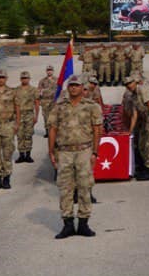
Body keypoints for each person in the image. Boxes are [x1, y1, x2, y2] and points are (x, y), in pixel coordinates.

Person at [47, 75, 102, 238]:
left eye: (77, 86)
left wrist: (95, 152)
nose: (73, 88)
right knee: (65, 188)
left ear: (82, 88)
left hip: (84, 151)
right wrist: (51, 151)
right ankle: (68, 223)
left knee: (85, 186)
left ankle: (84, 223)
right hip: (64, 152)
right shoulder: (59, 107)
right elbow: (52, 129)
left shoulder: (92, 106)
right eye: (71, 86)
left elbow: (97, 129)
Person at [13, 70, 38, 164]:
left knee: (28, 134)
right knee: (19, 135)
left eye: (26, 78)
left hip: (29, 114)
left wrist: (36, 116)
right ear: (20, 79)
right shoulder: (15, 90)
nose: (24, 79)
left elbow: (36, 103)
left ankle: (28, 155)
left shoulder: (34, 90)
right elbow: (13, 104)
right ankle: (21, 155)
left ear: (29, 79)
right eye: (23, 78)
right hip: (18, 115)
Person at [36, 65, 57, 137]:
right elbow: (38, 90)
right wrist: (38, 99)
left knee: (54, 117)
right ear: (46, 71)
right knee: (46, 117)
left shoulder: (57, 79)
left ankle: (54, 131)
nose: (49, 71)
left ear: (53, 71)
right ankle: (47, 131)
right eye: (48, 70)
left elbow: (59, 90)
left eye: (51, 70)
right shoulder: (42, 81)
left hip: (54, 101)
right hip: (45, 101)